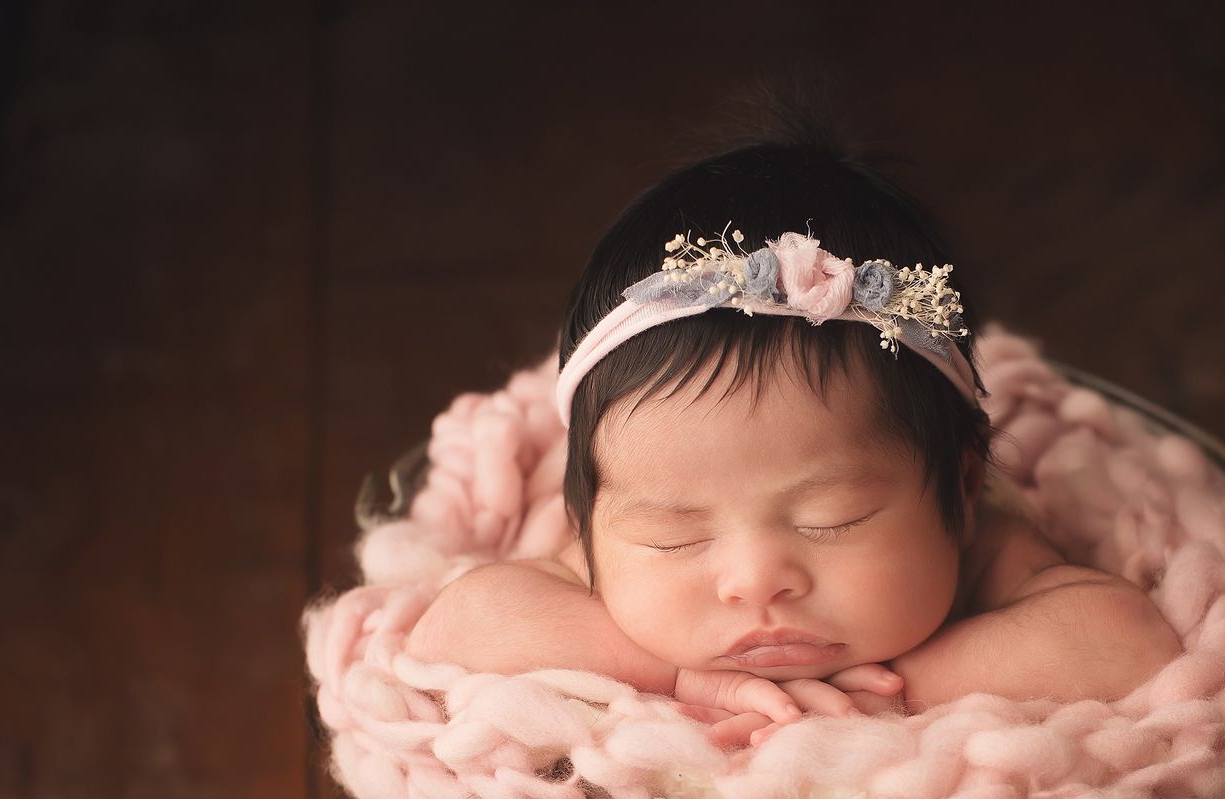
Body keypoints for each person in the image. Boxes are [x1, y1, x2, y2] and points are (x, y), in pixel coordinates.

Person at [405, 108, 1181, 750]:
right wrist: (677, 680)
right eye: (675, 535)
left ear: (964, 487)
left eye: (831, 519)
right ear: (587, 521)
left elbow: (1123, 641)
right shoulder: (600, 562)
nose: (755, 580)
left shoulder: (987, 553)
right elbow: (457, 628)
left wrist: (899, 693)